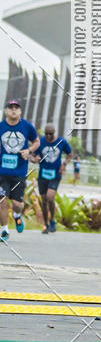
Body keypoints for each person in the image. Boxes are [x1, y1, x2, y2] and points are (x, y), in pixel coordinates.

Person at [0, 99, 40, 240]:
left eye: (16, 107)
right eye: (11, 107)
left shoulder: (27, 127)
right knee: (2, 201)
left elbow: (37, 142)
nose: (13, 110)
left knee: (17, 204)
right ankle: (4, 230)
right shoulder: (1, 126)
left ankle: (17, 215)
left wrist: (28, 150)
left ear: (20, 111)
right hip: (2, 172)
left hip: (19, 173)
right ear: (6, 111)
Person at [32, 124, 72, 234]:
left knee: (50, 197)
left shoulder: (61, 142)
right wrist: (35, 159)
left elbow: (70, 154)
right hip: (43, 175)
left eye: (51, 134)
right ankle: (46, 224)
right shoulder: (40, 142)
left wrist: (64, 164)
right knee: (44, 200)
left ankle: (52, 219)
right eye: (47, 134)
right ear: (44, 133)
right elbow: (32, 156)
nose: (49, 136)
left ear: (55, 133)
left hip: (55, 175)